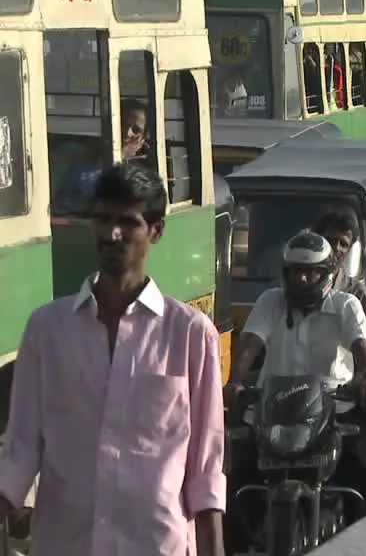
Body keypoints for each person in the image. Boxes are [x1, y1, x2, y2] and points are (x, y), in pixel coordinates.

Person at [0, 162, 226, 555]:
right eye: (102, 220)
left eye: (128, 222)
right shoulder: (47, 331)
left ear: (156, 231)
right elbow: (20, 449)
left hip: (156, 545)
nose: (112, 234)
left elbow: (205, 468)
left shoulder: (190, 334)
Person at [225, 229, 366, 545]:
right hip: (274, 411)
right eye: (296, 272)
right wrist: (235, 382)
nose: (303, 279)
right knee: (231, 482)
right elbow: (248, 347)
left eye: (311, 272)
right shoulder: (269, 301)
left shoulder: (347, 305)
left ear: (327, 274)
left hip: (334, 409)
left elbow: (361, 347)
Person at [54, 98, 151, 216]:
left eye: (136, 130)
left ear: (143, 138)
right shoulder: (73, 153)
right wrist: (117, 156)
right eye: (121, 124)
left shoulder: (145, 170)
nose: (127, 133)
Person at [314, 208, 366, 360]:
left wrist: (364, 374)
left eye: (343, 244)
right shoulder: (289, 288)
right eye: (331, 240)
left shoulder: (359, 296)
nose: (337, 248)